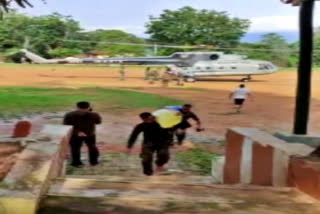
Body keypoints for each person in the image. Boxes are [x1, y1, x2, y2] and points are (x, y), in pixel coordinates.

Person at [63, 101, 102, 167]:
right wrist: (91, 111)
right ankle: (94, 162)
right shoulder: (94, 114)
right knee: (92, 147)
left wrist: (78, 132)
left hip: (75, 134)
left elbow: (66, 125)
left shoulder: (69, 114)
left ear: (77, 107)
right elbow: (98, 122)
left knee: (75, 148)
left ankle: (76, 163)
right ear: (88, 107)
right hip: (89, 134)